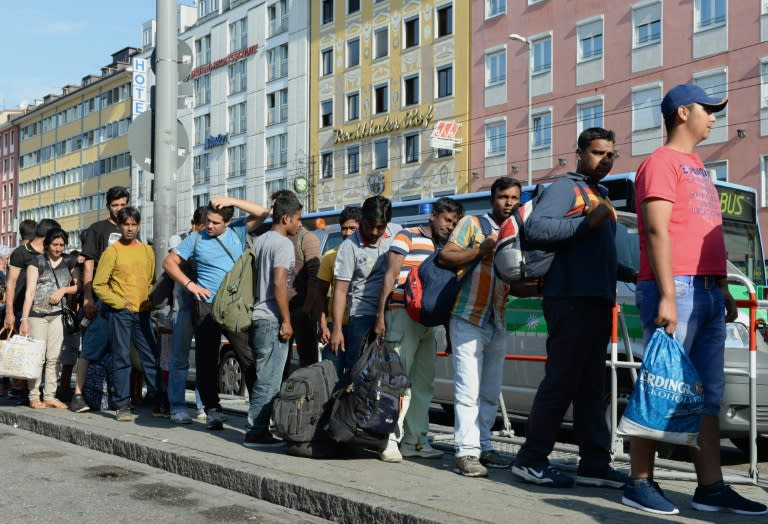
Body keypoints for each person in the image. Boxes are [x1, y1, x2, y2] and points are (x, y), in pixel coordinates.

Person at [621, 84, 768, 515]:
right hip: (676, 289)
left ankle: (710, 487)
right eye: (709, 109)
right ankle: (639, 481)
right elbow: (656, 230)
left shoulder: (698, 168)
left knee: (707, 394)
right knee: (661, 384)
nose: (714, 117)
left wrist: (721, 286)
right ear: (683, 113)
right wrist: (667, 294)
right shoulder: (660, 163)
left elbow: (705, 232)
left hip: (704, 289)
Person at [511, 128, 634, 489]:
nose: (605, 160)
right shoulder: (567, 188)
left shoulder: (601, 194)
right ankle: (530, 459)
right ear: (579, 153)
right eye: (597, 153)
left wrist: (630, 272)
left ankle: (594, 463)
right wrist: (586, 221)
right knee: (562, 381)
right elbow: (536, 228)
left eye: (611, 154)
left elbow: (597, 254)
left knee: (591, 388)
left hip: (596, 300)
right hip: (570, 299)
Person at [162, 197, 269, 430]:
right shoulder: (196, 238)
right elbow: (169, 263)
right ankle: (213, 410)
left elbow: (262, 213)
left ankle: (259, 409)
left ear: (228, 222)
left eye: (215, 223)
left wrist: (230, 199)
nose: (209, 226)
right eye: (208, 221)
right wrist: (190, 285)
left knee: (247, 357)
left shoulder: (238, 231)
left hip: (235, 306)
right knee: (206, 360)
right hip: (207, 306)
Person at [439, 177, 519, 477]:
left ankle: (484, 446)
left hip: (497, 319)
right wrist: (481, 250)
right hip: (467, 316)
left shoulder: (515, 230)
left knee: (489, 390)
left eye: (513, 197)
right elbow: (446, 256)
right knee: (467, 389)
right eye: (503, 197)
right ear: (492, 199)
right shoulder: (472, 224)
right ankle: (466, 452)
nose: (509, 203)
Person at [374, 197, 463, 462]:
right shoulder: (407, 236)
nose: (450, 227)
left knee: (423, 383)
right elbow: (390, 275)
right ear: (433, 216)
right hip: (401, 314)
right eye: (447, 220)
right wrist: (380, 315)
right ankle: (388, 439)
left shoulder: (447, 247)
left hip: (428, 322)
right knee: (396, 380)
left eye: (455, 223)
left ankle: (416, 441)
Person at [92, 207, 163, 421]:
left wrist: (150, 300)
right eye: (126, 224)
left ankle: (159, 400)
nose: (130, 228)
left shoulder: (147, 251)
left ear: (139, 225)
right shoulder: (111, 252)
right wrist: (119, 303)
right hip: (120, 313)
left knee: (151, 356)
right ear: (120, 226)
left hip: (142, 313)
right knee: (121, 357)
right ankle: (122, 404)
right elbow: (99, 285)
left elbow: (150, 280)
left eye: (134, 224)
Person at [244, 191, 303, 446]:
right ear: (286, 218)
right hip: (271, 317)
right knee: (269, 380)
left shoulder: (259, 240)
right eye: (298, 219)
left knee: (262, 375)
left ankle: (259, 427)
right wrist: (286, 320)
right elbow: (280, 283)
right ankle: (256, 431)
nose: (300, 224)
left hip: (256, 314)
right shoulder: (283, 245)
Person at [68, 186, 130, 413]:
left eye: (123, 204)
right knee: (91, 347)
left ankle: (120, 398)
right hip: (102, 299)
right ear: (108, 207)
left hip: (125, 299)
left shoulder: (131, 230)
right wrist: (88, 298)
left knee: (120, 351)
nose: (119, 209)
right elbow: (89, 264)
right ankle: (77, 396)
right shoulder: (98, 229)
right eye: (115, 205)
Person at [330, 196, 401, 382]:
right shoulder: (348, 248)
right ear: (362, 221)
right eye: (370, 226)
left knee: (387, 375)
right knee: (359, 374)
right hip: (363, 316)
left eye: (381, 227)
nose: (375, 232)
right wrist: (337, 329)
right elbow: (340, 291)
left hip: (392, 314)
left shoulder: (396, 233)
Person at [19, 228, 79, 409]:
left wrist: (63, 290)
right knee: (37, 357)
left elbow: (77, 286)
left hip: (57, 315)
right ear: (47, 245)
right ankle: (34, 395)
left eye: (62, 245)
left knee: (54, 357)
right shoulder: (36, 262)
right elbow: (29, 293)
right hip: (37, 315)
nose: (58, 248)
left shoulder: (69, 261)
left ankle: (50, 395)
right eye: (55, 244)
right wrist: (24, 320)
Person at [271, 189, 321, 372]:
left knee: (308, 364)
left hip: (300, 311)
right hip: (276, 312)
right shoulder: (273, 237)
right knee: (278, 366)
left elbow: (315, 278)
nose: (273, 213)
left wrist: (306, 310)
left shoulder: (306, 238)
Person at [166, 206, 208, 424]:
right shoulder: (180, 240)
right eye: (203, 227)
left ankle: (204, 406)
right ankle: (177, 406)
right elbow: (175, 263)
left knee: (205, 360)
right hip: (183, 307)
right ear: (194, 225)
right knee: (179, 359)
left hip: (205, 308)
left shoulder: (213, 241)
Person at [316, 207, 362, 352]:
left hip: (361, 323)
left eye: (353, 229)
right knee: (332, 371)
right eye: (344, 228)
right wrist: (323, 326)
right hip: (335, 326)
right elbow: (320, 294)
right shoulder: (330, 256)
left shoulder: (369, 253)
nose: (347, 233)